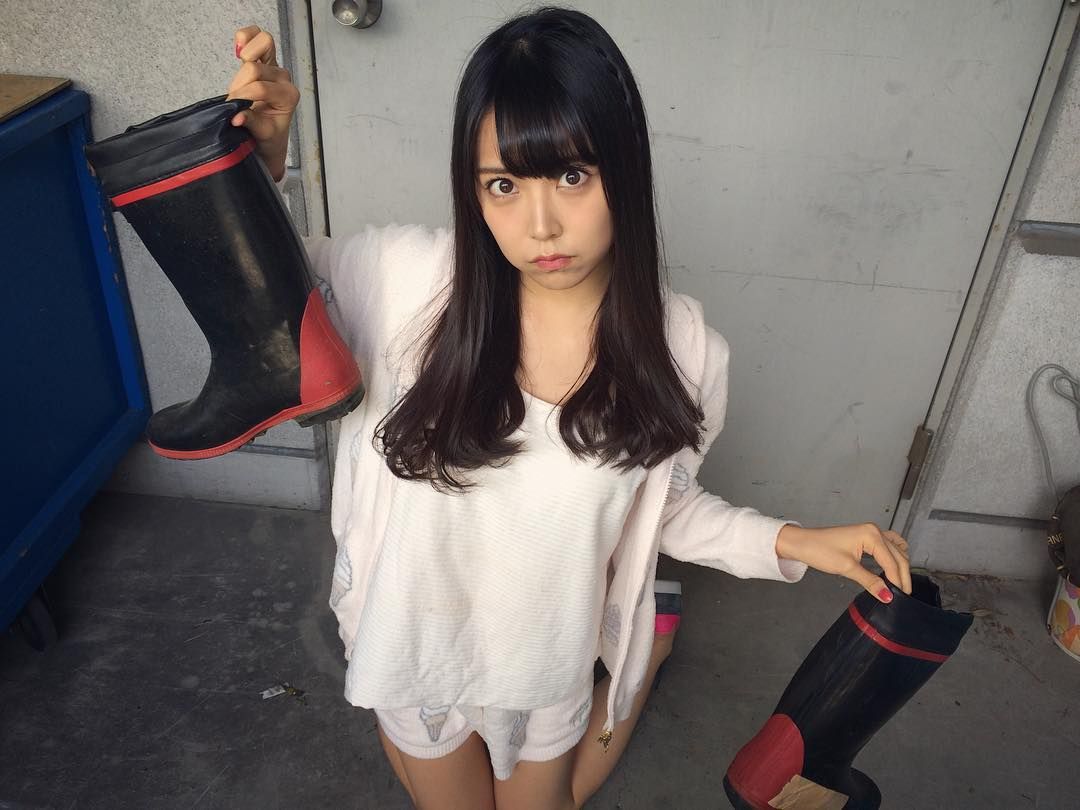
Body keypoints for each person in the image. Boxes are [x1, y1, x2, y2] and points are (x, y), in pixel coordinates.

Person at [226, 7, 913, 810]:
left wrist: (791, 540)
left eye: (573, 177)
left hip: (545, 658)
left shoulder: (684, 350)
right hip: (414, 647)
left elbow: (657, 506)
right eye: (504, 185)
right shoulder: (404, 282)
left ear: (625, 167)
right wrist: (255, 164)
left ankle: (644, 656)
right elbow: (261, 289)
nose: (541, 225)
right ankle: (653, 644)